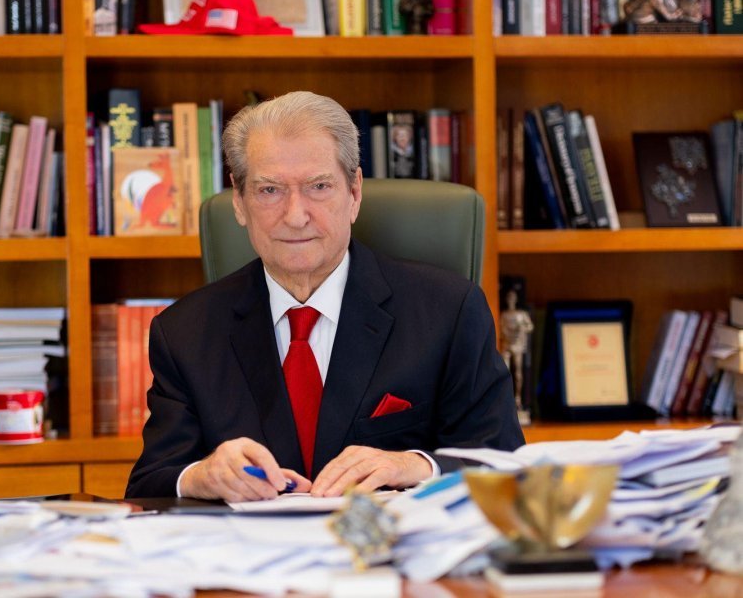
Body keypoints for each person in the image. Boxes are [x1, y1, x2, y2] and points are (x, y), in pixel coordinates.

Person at [125, 91, 524, 502]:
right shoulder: (184, 333)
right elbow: (149, 486)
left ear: (354, 193)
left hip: (387, 541)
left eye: (319, 186)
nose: (296, 216)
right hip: (248, 543)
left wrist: (416, 465)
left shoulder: (449, 311)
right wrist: (200, 476)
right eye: (269, 190)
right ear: (239, 202)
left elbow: (508, 466)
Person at [499, 288, 534, 419]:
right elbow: (500, 328)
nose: (511, 301)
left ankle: (518, 399)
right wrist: (507, 332)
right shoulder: (504, 315)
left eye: (512, 298)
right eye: (509, 298)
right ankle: (505, 399)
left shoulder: (521, 314)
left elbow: (530, 326)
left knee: (518, 373)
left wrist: (521, 328)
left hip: (518, 345)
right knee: (505, 371)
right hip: (507, 345)